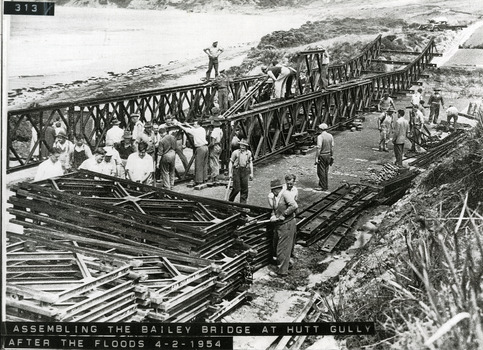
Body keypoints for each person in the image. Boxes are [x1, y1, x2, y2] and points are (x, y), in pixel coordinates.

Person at [268, 179, 298, 278]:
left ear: (277, 189)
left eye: (273, 190)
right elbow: (274, 209)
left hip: (287, 224)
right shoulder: (275, 197)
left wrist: (284, 214)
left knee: (283, 248)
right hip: (280, 224)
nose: (272, 192)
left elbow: (294, 206)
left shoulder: (285, 194)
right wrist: (273, 215)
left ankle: (282, 272)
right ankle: (286, 264)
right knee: (276, 244)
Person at [176, 119, 209, 185]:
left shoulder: (196, 131)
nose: (194, 125)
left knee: (198, 164)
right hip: (205, 147)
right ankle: (205, 178)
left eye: (195, 124)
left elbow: (187, 130)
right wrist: (189, 125)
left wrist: (179, 125)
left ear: (198, 125)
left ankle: (199, 181)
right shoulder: (202, 129)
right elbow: (194, 129)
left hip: (200, 148)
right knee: (204, 164)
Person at [228, 139, 253, 203]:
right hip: (237, 171)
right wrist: (230, 173)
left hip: (245, 171)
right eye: (241, 145)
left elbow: (250, 163)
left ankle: (243, 204)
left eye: (244, 146)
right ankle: (230, 201)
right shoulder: (235, 152)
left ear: (246, 146)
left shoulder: (249, 153)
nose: (242, 147)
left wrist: (251, 173)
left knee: (244, 189)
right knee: (237, 188)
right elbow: (231, 163)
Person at [314, 123, 334, 192]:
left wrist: (316, 158)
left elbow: (319, 148)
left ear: (320, 129)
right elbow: (332, 147)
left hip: (322, 155)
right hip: (328, 155)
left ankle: (323, 187)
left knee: (320, 171)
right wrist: (332, 155)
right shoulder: (330, 136)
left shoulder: (320, 137)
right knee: (326, 171)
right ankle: (325, 185)